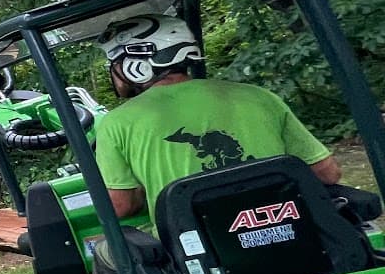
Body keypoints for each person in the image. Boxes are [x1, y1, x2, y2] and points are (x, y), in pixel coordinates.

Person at [94, 13, 340, 226]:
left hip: (195, 256)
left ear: (135, 64)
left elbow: (119, 207)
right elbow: (327, 174)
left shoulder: (116, 123)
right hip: (293, 230)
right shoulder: (259, 97)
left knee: (106, 253)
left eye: (114, 64)